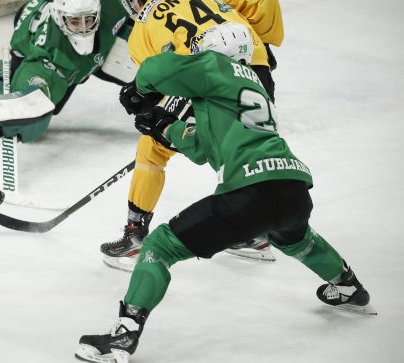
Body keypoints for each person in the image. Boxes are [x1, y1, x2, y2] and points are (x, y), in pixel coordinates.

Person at [74, 22, 376, 363]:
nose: (198, 54)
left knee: (160, 245)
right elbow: (202, 147)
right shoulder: (253, 87)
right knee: (293, 237)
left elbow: (155, 71)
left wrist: (141, 88)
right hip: (292, 188)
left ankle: (122, 338)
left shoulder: (216, 65)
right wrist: (162, 126)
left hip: (249, 192)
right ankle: (350, 287)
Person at [100, 0, 284, 270]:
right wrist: (263, 44)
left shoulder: (142, 30)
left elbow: (162, 79)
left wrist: (154, 117)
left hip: (212, 82)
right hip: (255, 76)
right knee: (244, 149)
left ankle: (135, 239)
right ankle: (256, 232)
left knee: (153, 147)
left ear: (132, 2)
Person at [0, 0, 135, 143]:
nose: (83, 28)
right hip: (25, 46)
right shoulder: (48, 51)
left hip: (76, 56)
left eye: (88, 20)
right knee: (51, 105)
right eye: (75, 22)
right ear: (60, 19)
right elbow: (36, 90)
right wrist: (8, 116)